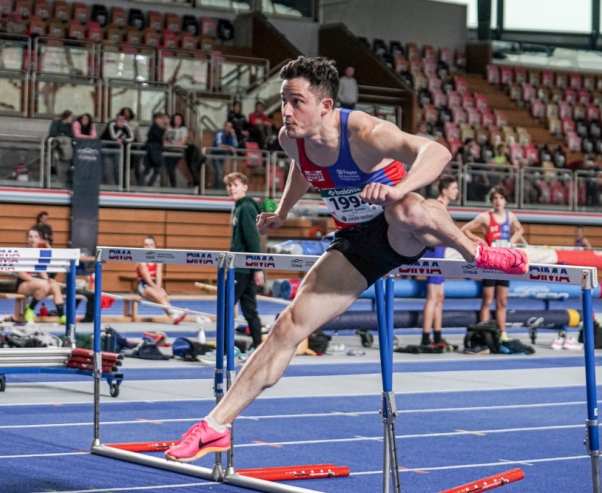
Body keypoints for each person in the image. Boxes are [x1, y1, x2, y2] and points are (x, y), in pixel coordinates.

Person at [164, 56, 527, 463]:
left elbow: (436, 151)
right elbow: (303, 168)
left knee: (410, 208)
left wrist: (397, 188)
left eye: (296, 101)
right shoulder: (290, 137)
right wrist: (283, 212)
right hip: (355, 242)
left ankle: (478, 252)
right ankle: (215, 426)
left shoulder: (365, 132)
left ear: (325, 106)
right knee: (287, 326)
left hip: (398, 230)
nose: (285, 111)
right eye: (283, 100)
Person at [461, 186, 524, 344]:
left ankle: (502, 333)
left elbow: (520, 229)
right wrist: (479, 240)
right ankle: (483, 332)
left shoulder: (510, 216)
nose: (498, 201)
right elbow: (464, 229)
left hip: (504, 264)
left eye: (501, 198)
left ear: (505, 201)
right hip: (490, 264)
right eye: (495, 198)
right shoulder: (486, 217)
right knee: (488, 300)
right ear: (492, 201)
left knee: (502, 301)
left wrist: (511, 242)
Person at [226, 172, 265, 360]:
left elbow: (252, 239)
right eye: (229, 185)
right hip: (240, 266)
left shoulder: (247, 208)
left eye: (236, 184)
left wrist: (258, 267)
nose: (231, 188)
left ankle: (227, 348)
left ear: (245, 187)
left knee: (226, 305)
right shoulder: (238, 207)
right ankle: (258, 347)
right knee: (249, 309)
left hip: (243, 268)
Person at [420, 176, 458, 348]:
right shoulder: (437, 206)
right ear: (445, 191)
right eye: (454, 188)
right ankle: (426, 337)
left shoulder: (443, 207)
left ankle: (437, 335)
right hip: (434, 254)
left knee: (440, 297)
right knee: (432, 297)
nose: (457, 191)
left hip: (440, 254)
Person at [17, 228, 65, 324]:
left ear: (39, 239)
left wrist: (48, 279)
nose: (33, 239)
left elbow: (42, 271)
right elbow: (21, 273)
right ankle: (30, 311)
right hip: (23, 284)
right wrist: (36, 281)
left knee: (54, 285)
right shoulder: (22, 252)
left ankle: (62, 316)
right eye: (30, 237)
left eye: (36, 237)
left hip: (39, 284)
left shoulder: (40, 253)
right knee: (44, 285)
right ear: (27, 239)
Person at [136, 236, 185, 324]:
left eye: (151, 245)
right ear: (143, 247)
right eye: (146, 245)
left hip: (155, 283)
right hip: (143, 285)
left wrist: (158, 288)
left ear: (155, 247)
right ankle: (175, 311)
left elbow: (159, 276)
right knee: (159, 296)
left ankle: (174, 316)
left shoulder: (158, 259)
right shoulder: (141, 261)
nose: (149, 247)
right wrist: (156, 290)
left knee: (164, 296)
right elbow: (147, 279)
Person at [100, 114, 134, 185]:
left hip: (117, 150)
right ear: (116, 119)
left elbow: (131, 138)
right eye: (119, 119)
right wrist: (121, 133)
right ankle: (108, 185)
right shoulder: (111, 124)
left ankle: (119, 185)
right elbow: (113, 137)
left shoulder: (126, 126)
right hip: (107, 148)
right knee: (107, 168)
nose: (120, 121)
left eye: (122, 120)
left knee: (118, 169)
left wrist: (122, 139)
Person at [139, 113, 167, 187]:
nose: (162, 121)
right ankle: (147, 186)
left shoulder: (155, 128)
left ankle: (143, 185)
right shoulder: (157, 129)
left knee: (148, 170)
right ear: (157, 119)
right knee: (154, 171)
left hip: (151, 152)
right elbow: (159, 139)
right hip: (154, 152)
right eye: (161, 119)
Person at [48, 110, 74, 185]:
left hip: (66, 145)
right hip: (56, 145)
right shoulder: (56, 123)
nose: (72, 119)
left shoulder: (70, 126)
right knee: (54, 158)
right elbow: (53, 133)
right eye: (70, 117)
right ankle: (53, 174)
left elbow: (71, 135)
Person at [163, 113, 189, 188]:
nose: (177, 120)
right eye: (176, 119)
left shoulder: (183, 129)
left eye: (179, 119)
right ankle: (167, 185)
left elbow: (183, 141)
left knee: (171, 167)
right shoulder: (169, 128)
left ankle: (173, 186)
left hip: (177, 150)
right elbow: (164, 138)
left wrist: (173, 144)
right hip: (168, 150)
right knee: (167, 168)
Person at [211, 121, 238, 190]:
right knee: (219, 173)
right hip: (216, 155)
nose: (228, 128)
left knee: (224, 173)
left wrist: (233, 135)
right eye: (227, 126)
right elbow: (219, 145)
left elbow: (235, 146)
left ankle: (220, 189)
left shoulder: (230, 135)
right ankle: (218, 190)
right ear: (224, 126)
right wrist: (229, 147)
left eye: (230, 126)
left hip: (224, 156)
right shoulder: (220, 133)